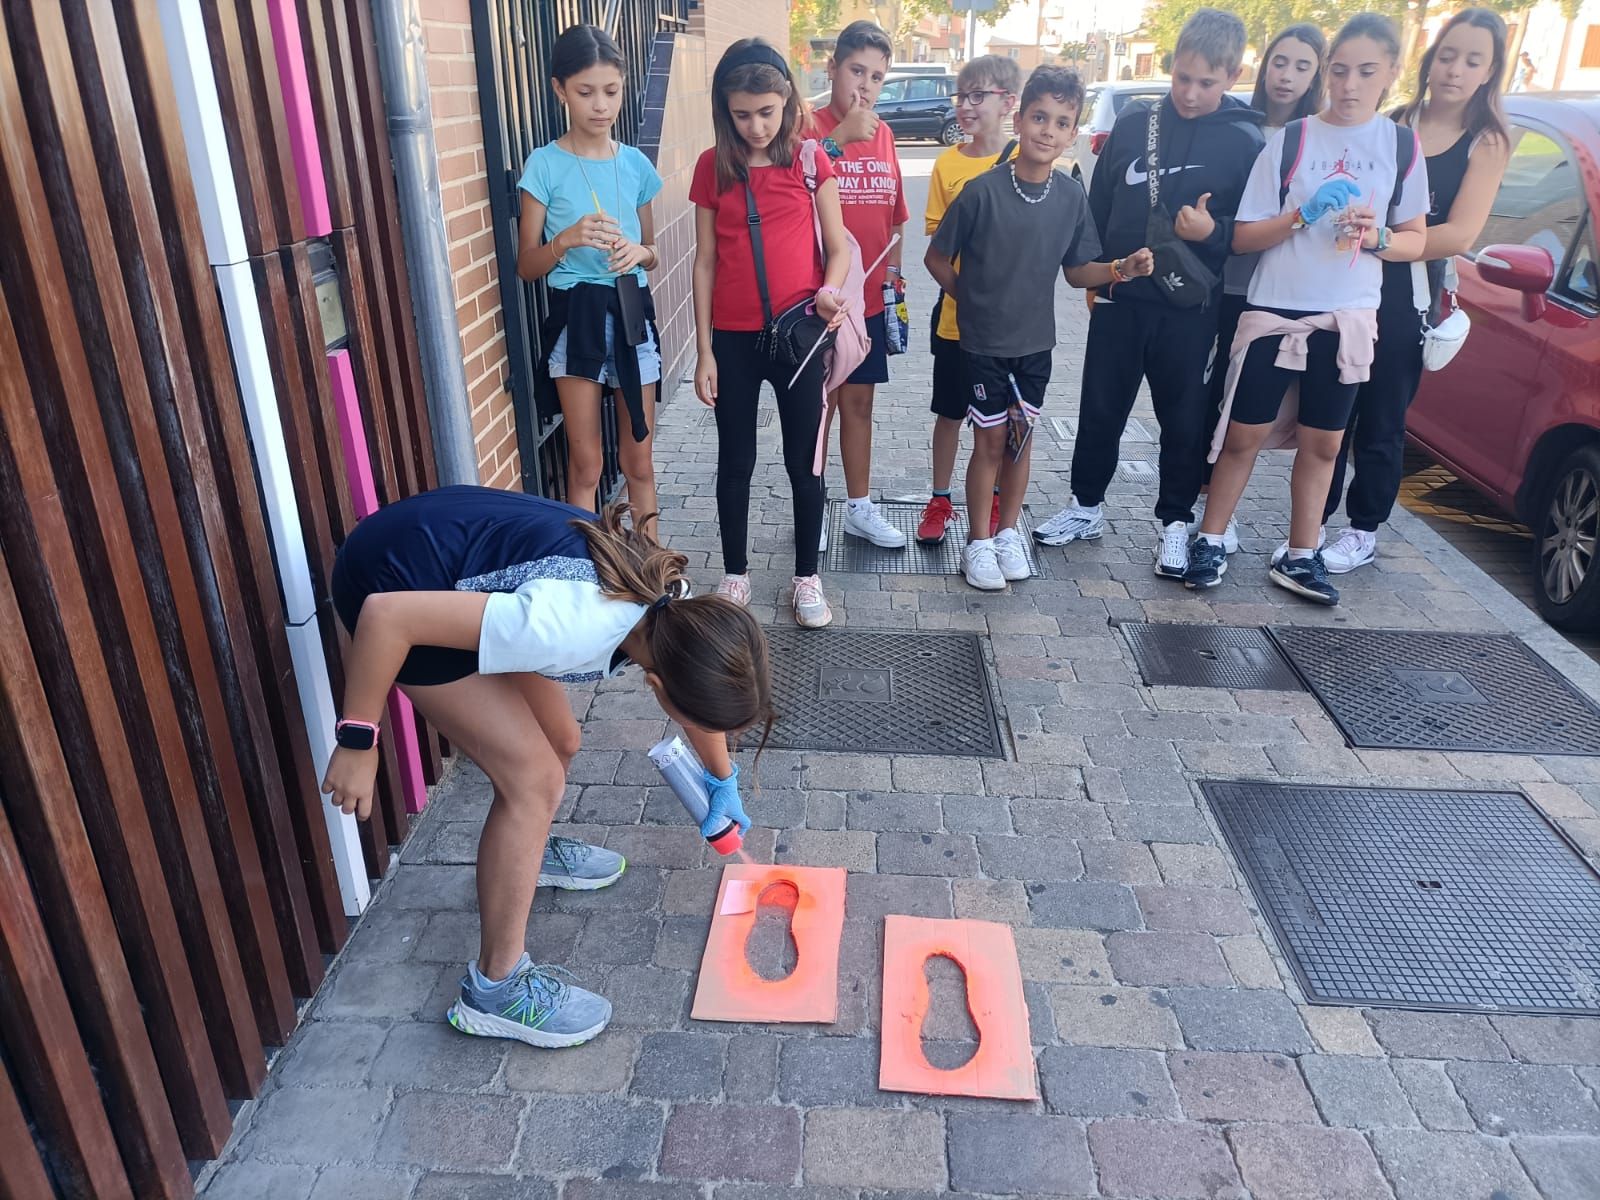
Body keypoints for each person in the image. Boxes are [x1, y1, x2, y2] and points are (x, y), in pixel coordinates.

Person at [322, 487, 769, 1047]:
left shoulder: (672, 605)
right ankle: (495, 989)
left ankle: (529, 852)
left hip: (459, 572)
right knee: (533, 781)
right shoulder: (570, 626)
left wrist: (721, 781)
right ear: (656, 687)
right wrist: (359, 739)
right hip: (390, 587)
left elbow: (693, 692)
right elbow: (386, 618)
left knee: (561, 740)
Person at [1185, 12, 1430, 605]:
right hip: (1274, 310)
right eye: (1340, 70)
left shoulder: (1399, 145)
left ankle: (1301, 555)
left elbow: (1415, 238)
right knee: (1241, 434)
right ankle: (1211, 538)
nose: (1349, 84)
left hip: (1347, 317)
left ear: (1391, 73)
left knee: (1324, 444)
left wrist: (1377, 238)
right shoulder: (1293, 139)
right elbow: (1242, 236)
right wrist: (1301, 215)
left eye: (1365, 72)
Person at [1033, 9, 1265, 585]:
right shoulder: (1139, 122)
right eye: (1182, 77)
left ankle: (1175, 522)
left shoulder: (1245, 140)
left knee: (1183, 417)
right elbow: (1098, 204)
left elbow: (1254, 228)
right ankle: (1086, 506)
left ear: (1232, 76)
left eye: (1206, 82)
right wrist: (1095, 275)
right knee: (1101, 406)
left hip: (1191, 306)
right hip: (1122, 292)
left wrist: (1210, 232)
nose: (1189, 92)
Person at [926, 65, 1154, 591]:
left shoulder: (1071, 197)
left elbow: (1078, 274)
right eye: (1039, 117)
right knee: (988, 443)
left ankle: (1009, 534)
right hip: (982, 345)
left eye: (1061, 121)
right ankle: (978, 543)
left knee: (1020, 442)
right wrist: (972, 299)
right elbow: (938, 259)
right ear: (1021, 118)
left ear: (1073, 132)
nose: (1047, 130)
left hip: (1036, 347)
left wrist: (1121, 269)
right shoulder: (981, 192)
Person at [1318, 9, 1511, 573]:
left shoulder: (1487, 142)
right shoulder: (1395, 120)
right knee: (1331, 412)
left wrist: (1386, 240)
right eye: (1448, 55)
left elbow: (1458, 233)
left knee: (1382, 418)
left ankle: (1361, 529)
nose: (1454, 69)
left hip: (1409, 295)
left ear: (1490, 70)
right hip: (1349, 283)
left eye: (1472, 60)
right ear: (1428, 59)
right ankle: (1311, 523)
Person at [690, 39, 852, 628]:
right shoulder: (713, 166)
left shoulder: (811, 161)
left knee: (803, 463)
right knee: (734, 460)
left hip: (800, 335)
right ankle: (735, 574)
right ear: (723, 109)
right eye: (741, 113)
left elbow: (838, 248)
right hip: (732, 339)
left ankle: (806, 577)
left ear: (786, 102)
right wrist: (704, 350)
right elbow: (705, 260)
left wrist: (831, 290)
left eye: (766, 111)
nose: (755, 125)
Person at [517, 25, 663, 521]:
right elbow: (526, 266)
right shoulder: (544, 165)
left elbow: (654, 249)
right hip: (576, 316)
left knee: (638, 461)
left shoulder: (637, 165)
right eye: (585, 92)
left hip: (630, 316)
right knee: (586, 466)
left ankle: (654, 579)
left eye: (611, 91)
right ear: (560, 90)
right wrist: (566, 240)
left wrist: (638, 254)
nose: (600, 105)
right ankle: (583, 579)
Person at [1197, 24, 1327, 549]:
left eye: (1302, 65)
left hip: (1291, 295)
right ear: (1262, 64)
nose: (1287, 75)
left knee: (1293, 420)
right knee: (1219, 400)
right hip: (1230, 285)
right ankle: (1207, 511)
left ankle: (1305, 534)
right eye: (1280, 61)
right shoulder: (1239, 125)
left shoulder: (1319, 136)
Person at [809, 21, 910, 550]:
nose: (865, 87)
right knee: (815, 407)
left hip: (867, 298)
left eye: (876, 77)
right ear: (833, 68)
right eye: (856, 71)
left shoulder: (887, 133)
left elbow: (894, 217)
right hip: (817, 297)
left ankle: (859, 507)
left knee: (859, 404)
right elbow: (787, 191)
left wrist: (894, 280)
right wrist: (836, 140)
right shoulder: (806, 127)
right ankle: (814, 508)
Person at [916, 53, 1024, 547]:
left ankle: (999, 496)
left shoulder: (1028, 162)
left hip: (1011, 327)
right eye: (963, 96)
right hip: (957, 319)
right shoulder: (948, 162)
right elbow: (938, 239)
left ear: (1009, 103)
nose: (966, 106)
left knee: (1005, 419)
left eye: (979, 96)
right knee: (950, 412)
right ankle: (940, 498)